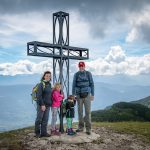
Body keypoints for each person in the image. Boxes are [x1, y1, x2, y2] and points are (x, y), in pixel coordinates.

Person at [72, 61, 94, 135]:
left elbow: (92, 84)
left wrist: (92, 94)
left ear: (84, 66)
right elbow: (73, 85)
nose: (81, 67)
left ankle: (88, 129)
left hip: (87, 94)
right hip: (78, 95)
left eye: (82, 66)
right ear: (78, 67)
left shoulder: (88, 74)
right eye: (80, 66)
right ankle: (81, 127)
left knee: (88, 112)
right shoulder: (76, 74)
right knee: (80, 112)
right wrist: (73, 95)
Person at [35, 71, 52, 138]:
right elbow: (39, 96)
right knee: (39, 119)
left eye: (49, 76)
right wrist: (42, 105)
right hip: (41, 105)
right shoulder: (41, 84)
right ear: (44, 76)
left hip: (48, 105)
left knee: (45, 119)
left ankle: (44, 133)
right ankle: (37, 133)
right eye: (47, 76)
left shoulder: (49, 84)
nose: (48, 77)